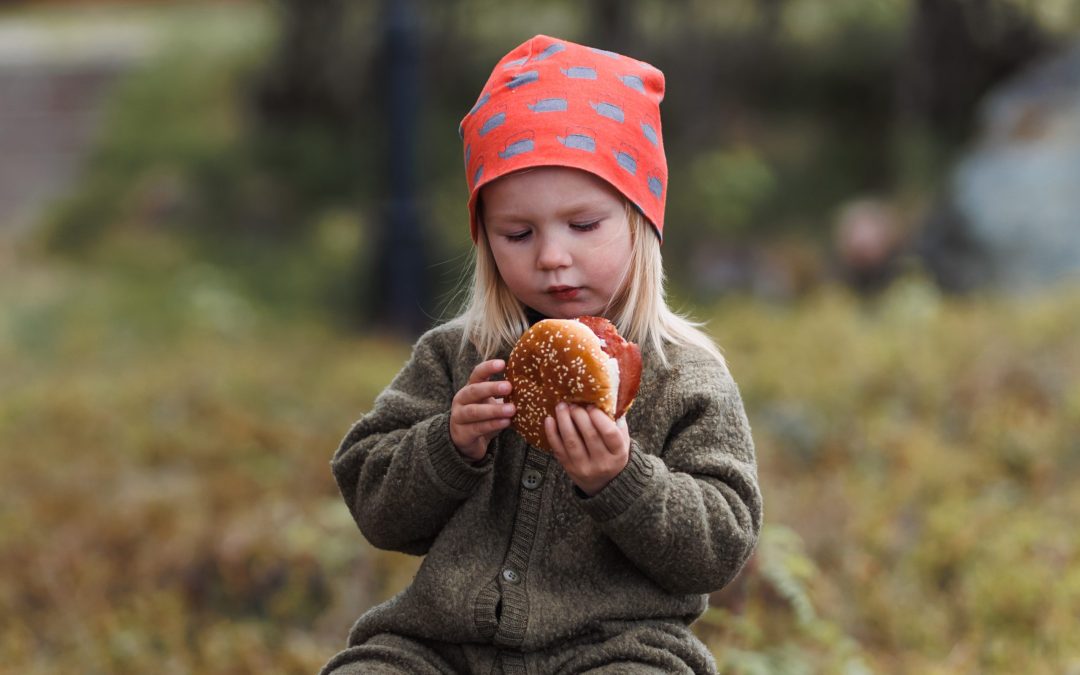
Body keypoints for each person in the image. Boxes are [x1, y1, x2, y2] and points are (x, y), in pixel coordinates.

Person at [320, 35, 762, 675]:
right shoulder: (456, 357)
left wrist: (621, 482)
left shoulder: (686, 378)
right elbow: (374, 503)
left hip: (616, 650)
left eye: (583, 226)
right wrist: (450, 445)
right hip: (439, 649)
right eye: (518, 233)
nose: (552, 256)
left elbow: (721, 547)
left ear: (640, 220)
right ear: (485, 241)